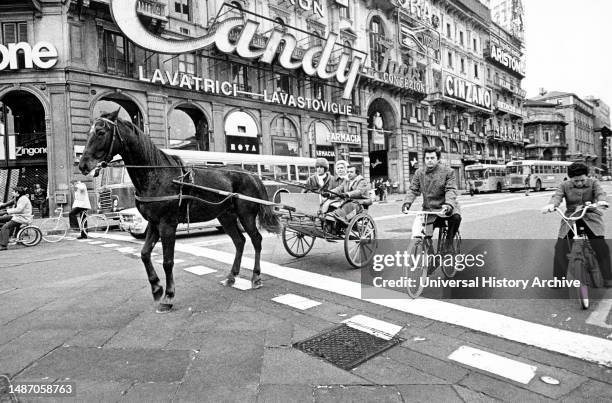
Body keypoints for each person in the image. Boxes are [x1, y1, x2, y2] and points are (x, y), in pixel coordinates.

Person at [541, 162, 612, 287]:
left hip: (590, 216)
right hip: (572, 217)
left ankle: (608, 278)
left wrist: (601, 201)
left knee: (601, 246)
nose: (579, 183)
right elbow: (557, 196)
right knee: (560, 247)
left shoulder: (593, 182)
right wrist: (552, 205)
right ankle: (559, 280)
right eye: (575, 181)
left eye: (582, 180)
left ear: (587, 176)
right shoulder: (564, 185)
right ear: (570, 178)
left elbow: (601, 193)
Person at [402, 147, 461, 250]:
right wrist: (407, 203)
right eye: (427, 158)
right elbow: (413, 190)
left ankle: (448, 244)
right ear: (424, 159)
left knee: (456, 218)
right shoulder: (419, 173)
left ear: (438, 159)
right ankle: (430, 260)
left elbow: (450, 190)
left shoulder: (448, 172)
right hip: (429, 210)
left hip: (446, 209)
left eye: (432, 158)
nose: (429, 160)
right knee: (424, 236)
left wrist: (448, 205)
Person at [0, 186, 33, 251]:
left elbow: (19, 210)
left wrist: (6, 211)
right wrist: (1, 206)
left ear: (17, 193)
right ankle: (6, 236)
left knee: (5, 227)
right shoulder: (17, 198)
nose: (12, 192)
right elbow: (6, 204)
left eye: (13, 191)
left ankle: (3, 246)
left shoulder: (23, 199)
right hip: (17, 216)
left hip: (22, 218)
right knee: (1, 219)